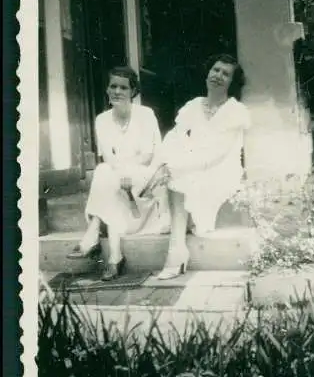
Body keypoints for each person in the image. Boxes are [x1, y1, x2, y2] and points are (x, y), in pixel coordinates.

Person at [144, 54, 251, 280]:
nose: (218, 76)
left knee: (179, 177)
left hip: (222, 170)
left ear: (233, 82)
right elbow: (173, 138)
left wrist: (174, 167)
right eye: (216, 70)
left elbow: (217, 155)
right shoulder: (193, 106)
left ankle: (176, 251)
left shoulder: (235, 111)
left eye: (225, 74)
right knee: (177, 175)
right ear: (208, 72)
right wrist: (164, 163)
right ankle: (177, 248)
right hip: (192, 167)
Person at [67, 66, 170, 281]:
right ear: (107, 89)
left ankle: (94, 232)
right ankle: (114, 256)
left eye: (123, 87)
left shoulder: (145, 115)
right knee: (104, 169)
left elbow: (148, 155)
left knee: (105, 175)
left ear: (133, 91)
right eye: (113, 86)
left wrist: (123, 169)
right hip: (117, 177)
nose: (117, 91)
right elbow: (107, 157)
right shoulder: (102, 120)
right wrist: (120, 170)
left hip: (144, 176)